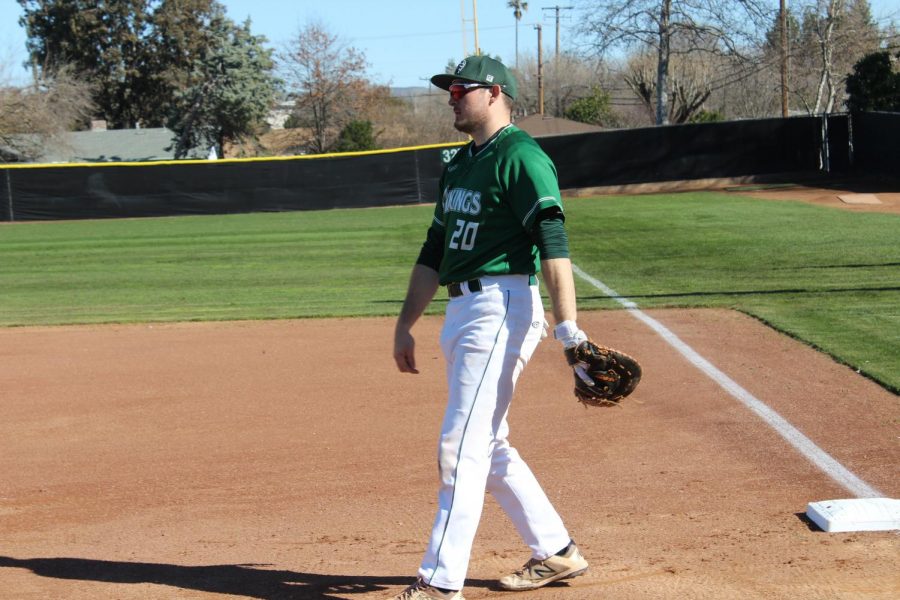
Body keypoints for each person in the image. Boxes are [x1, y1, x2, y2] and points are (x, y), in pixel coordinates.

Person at [391, 56, 592, 600]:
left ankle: (439, 583)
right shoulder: (458, 164)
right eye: (448, 90)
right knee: (489, 441)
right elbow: (435, 247)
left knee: (460, 447)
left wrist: (569, 328)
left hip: (501, 306)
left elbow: (553, 242)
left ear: (496, 92)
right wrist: (405, 323)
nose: (451, 97)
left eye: (460, 89)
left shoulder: (522, 157)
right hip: (462, 312)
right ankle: (556, 551)